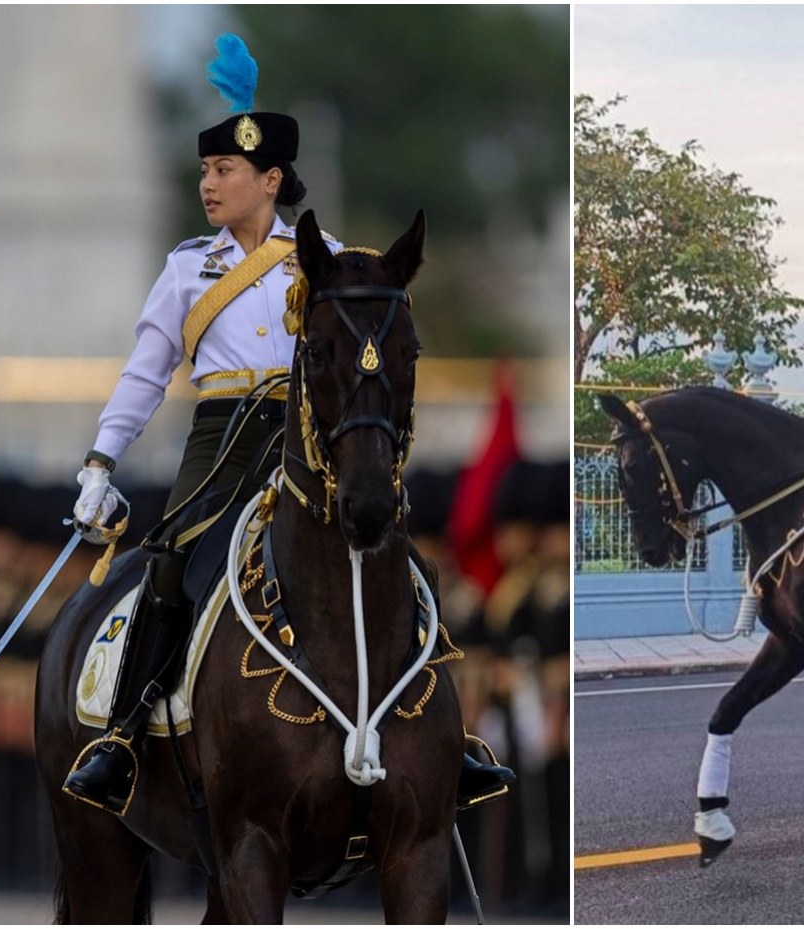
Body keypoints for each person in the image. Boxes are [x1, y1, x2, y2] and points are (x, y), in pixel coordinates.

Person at [64, 34, 512, 814]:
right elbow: (146, 371)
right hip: (219, 440)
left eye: (225, 170)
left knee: (407, 564)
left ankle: (452, 739)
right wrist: (102, 460)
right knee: (171, 565)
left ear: (269, 180)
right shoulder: (185, 268)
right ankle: (125, 737)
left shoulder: (327, 257)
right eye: (206, 169)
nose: (209, 183)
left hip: (312, 436)